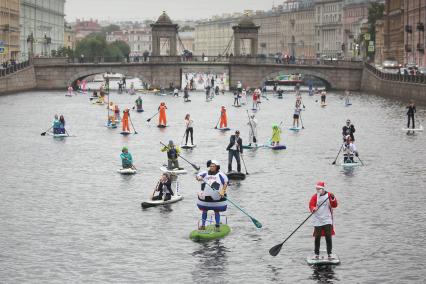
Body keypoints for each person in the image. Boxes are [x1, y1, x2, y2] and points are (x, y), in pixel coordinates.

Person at [195, 160, 229, 231]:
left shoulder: (221, 174)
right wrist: (199, 178)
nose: (211, 167)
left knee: (216, 211)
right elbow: (198, 176)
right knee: (204, 211)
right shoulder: (205, 173)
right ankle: (203, 225)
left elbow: (225, 183)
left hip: (216, 198)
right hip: (205, 197)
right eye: (210, 166)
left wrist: (223, 191)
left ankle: (217, 226)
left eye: (213, 166)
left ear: (216, 167)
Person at [309, 181, 338, 259]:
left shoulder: (329, 195)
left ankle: (330, 253)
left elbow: (335, 205)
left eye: (319, 189)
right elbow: (311, 205)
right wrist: (313, 208)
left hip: (327, 219)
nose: (317, 190)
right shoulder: (315, 197)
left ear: (323, 189)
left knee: (328, 236)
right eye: (317, 189)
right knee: (317, 237)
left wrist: (332, 198)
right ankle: (316, 254)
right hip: (318, 219)